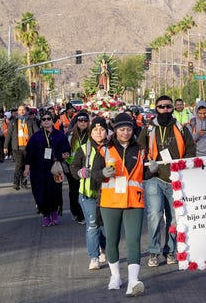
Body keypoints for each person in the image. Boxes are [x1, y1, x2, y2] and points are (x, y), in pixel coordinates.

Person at [138, 95, 196, 268]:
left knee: (174, 219)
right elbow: (139, 150)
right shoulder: (148, 129)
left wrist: (181, 168)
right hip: (154, 178)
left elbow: (191, 149)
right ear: (156, 108)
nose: (165, 110)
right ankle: (154, 252)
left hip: (175, 179)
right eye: (161, 107)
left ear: (173, 109)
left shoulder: (180, 128)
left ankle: (170, 250)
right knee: (155, 215)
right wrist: (147, 170)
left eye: (168, 107)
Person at [91, 112, 146, 296]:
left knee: (133, 241)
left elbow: (144, 175)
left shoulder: (140, 149)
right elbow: (94, 174)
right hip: (110, 202)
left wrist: (153, 170)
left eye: (129, 129)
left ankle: (133, 281)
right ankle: (115, 276)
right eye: (122, 129)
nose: (125, 133)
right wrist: (103, 174)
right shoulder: (104, 149)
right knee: (112, 241)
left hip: (134, 201)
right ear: (115, 131)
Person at [71, 115, 108, 270]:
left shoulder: (112, 148)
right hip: (88, 194)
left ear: (107, 132)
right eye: (95, 129)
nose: (98, 132)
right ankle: (94, 257)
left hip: (108, 194)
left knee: (106, 227)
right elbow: (73, 168)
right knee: (92, 225)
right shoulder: (83, 149)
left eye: (102, 129)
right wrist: (80, 172)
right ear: (91, 132)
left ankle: (104, 249)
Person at [23, 110, 71, 227]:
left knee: (55, 192)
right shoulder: (35, 137)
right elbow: (29, 154)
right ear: (41, 122)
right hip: (38, 170)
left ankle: (54, 212)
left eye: (48, 119)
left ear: (52, 120)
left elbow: (67, 150)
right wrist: (27, 168)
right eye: (43, 119)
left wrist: (65, 155)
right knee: (40, 192)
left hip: (54, 169)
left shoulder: (60, 135)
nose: (46, 121)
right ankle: (45, 214)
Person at [4, 105, 39, 190]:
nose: (22, 111)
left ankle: (24, 183)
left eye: (23, 110)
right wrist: (5, 146)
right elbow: (8, 135)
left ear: (26, 111)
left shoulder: (31, 121)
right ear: (17, 112)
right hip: (17, 148)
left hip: (28, 148)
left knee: (26, 166)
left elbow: (37, 133)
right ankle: (16, 183)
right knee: (18, 165)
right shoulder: (13, 122)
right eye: (20, 110)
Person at [65, 111, 89, 224]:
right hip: (72, 167)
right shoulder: (70, 135)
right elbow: (65, 149)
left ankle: (82, 214)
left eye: (85, 120)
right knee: (74, 191)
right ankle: (75, 212)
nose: (83, 123)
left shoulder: (91, 134)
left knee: (84, 190)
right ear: (76, 122)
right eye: (80, 120)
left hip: (87, 167)